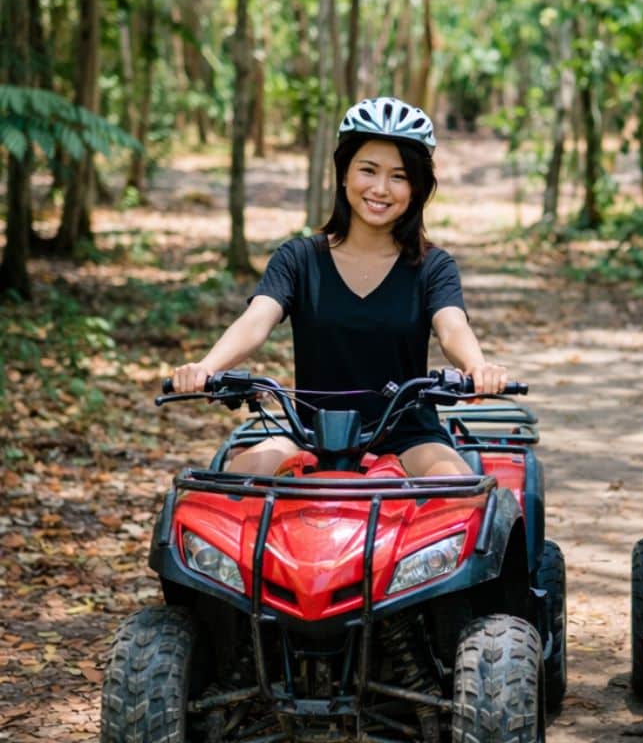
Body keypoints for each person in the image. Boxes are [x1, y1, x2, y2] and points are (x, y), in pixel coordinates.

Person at [172, 97, 508, 476]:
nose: (381, 188)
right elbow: (256, 320)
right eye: (368, 170)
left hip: (408, 436)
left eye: (399, 176)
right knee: (235, 482)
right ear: (344, 173)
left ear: (415, 188)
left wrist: (477, 367)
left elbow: (452, 329)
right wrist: (205, 368)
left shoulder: (432, 266)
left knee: (458, 490)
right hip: (310, 433)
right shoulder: (299, 258)